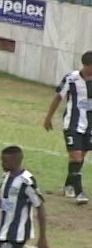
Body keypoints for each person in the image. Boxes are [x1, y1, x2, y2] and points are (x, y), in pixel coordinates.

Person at [43, 51, 92, 204]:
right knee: (76, 155)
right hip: (72, 124)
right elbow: (58, 97)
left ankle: (68, 185)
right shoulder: (71, 78)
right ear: (86, 65)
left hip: (89, 126)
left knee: (80, 157)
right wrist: (48, 117)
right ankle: (80, 193)